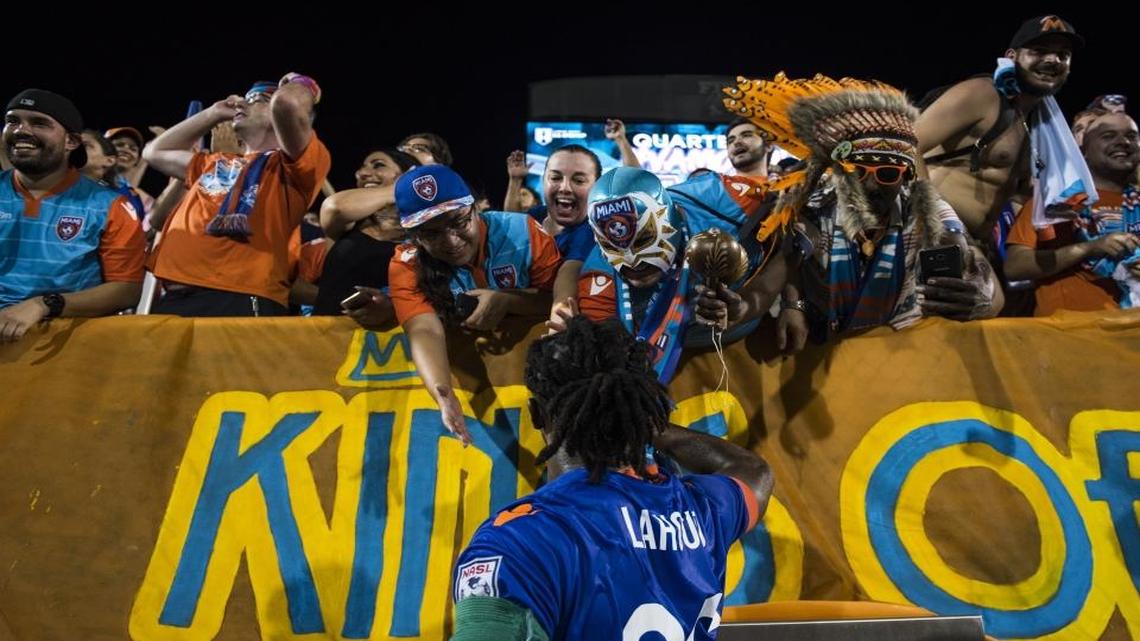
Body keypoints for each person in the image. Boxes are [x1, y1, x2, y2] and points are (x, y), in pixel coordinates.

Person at [451, 315, 773, 640]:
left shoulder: (518, 539)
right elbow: (754, 472)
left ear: (536, 414)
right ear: (645, 412)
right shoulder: (699, 511)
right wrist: (640, 419)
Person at [723, 73, 1003, 339]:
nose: (869, 185)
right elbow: (778, 273)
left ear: (905, 176)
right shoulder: (817, 208)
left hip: (902, 352)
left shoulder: (925, 209)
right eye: (857, 171)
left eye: (886, 173)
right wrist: (749, 307)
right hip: (828, 352)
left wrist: (980, 297)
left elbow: (992, 292)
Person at [387, 164, 561, 443]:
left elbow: (562, 301)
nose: (450, 241)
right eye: (431, 234)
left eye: (458, 222)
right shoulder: (406, 264)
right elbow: (424, 330)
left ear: (475, 208)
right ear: (414, 236)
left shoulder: (524, 233)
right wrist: (443, 393)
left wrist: (508, 302)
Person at [142, 74, 330, 316]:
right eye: (245, 99)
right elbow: (155, 151)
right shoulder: (216, 162)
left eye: (257, 100)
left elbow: (288, 103)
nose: (243, 103)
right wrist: (214, 113)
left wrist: (302, 83)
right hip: (177, 297)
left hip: (238, 298)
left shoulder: (296, 166)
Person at [0, 89, 146, 342]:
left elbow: (126, 290)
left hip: (69, 348)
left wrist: (45, 304)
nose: (21, 130)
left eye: (39, 123)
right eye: (13, 121)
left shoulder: (110, 205)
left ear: (71, 142)